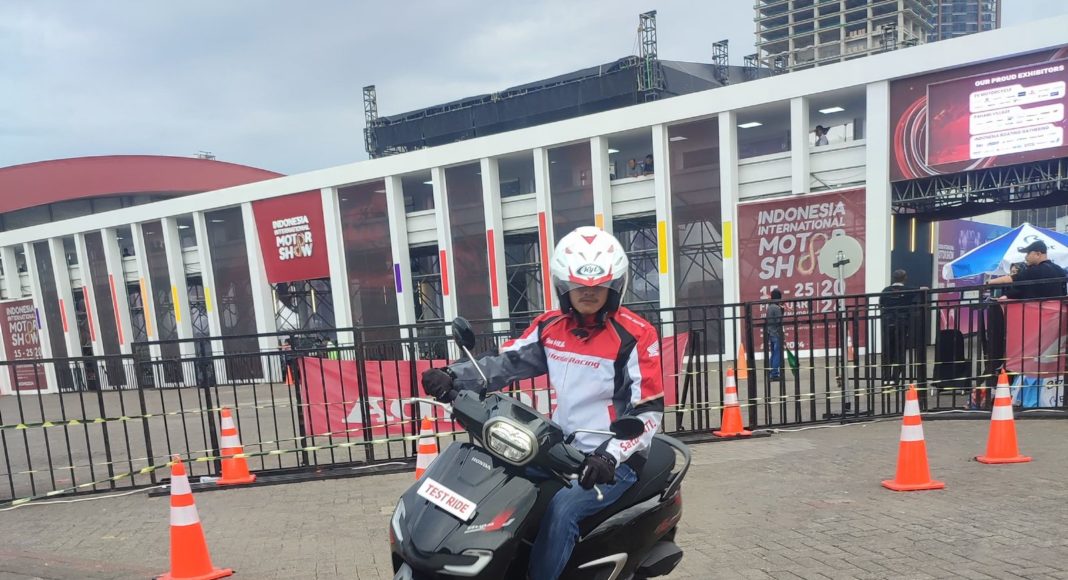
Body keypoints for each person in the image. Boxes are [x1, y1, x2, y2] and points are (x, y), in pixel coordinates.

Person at [421, 226, 663, 580]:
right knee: (497, 487)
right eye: (578, 285)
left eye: (599, 286)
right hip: (559, 449)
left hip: (610, 461)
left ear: (615, 287)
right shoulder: (551, 326)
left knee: (563, 511)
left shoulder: (636, 334)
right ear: (564, 285)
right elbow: (506, 362)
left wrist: (610, 455)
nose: (588, 292)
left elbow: (648, 412)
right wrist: (453, 376)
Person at [880, 270, 922, 386]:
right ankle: (895, 378)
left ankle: (886, 378)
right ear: (905, 278)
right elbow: (920, 292)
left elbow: (881, 303)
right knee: (900, 350)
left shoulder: (886, 291)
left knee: (887, 350)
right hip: (902, 324)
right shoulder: (909, 290)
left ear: (893, 278)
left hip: (888, 323)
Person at [988, 240, 1067, 300]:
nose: (1026, 257)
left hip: (1037, 313)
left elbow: (1010, 279)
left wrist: (989, 282)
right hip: (1057, 313)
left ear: (1038, 254)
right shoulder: (1059, 269)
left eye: (1028, 253)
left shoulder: (1034, 270)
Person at [766, 289, 784, 380]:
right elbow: (779, 321)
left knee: (773, 353)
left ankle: (770, 371)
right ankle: (775, 374)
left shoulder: (769, 307)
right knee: (777, 354)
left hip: (770, 332)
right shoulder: (776, 308)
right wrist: (782, 311)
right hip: (776, 333)